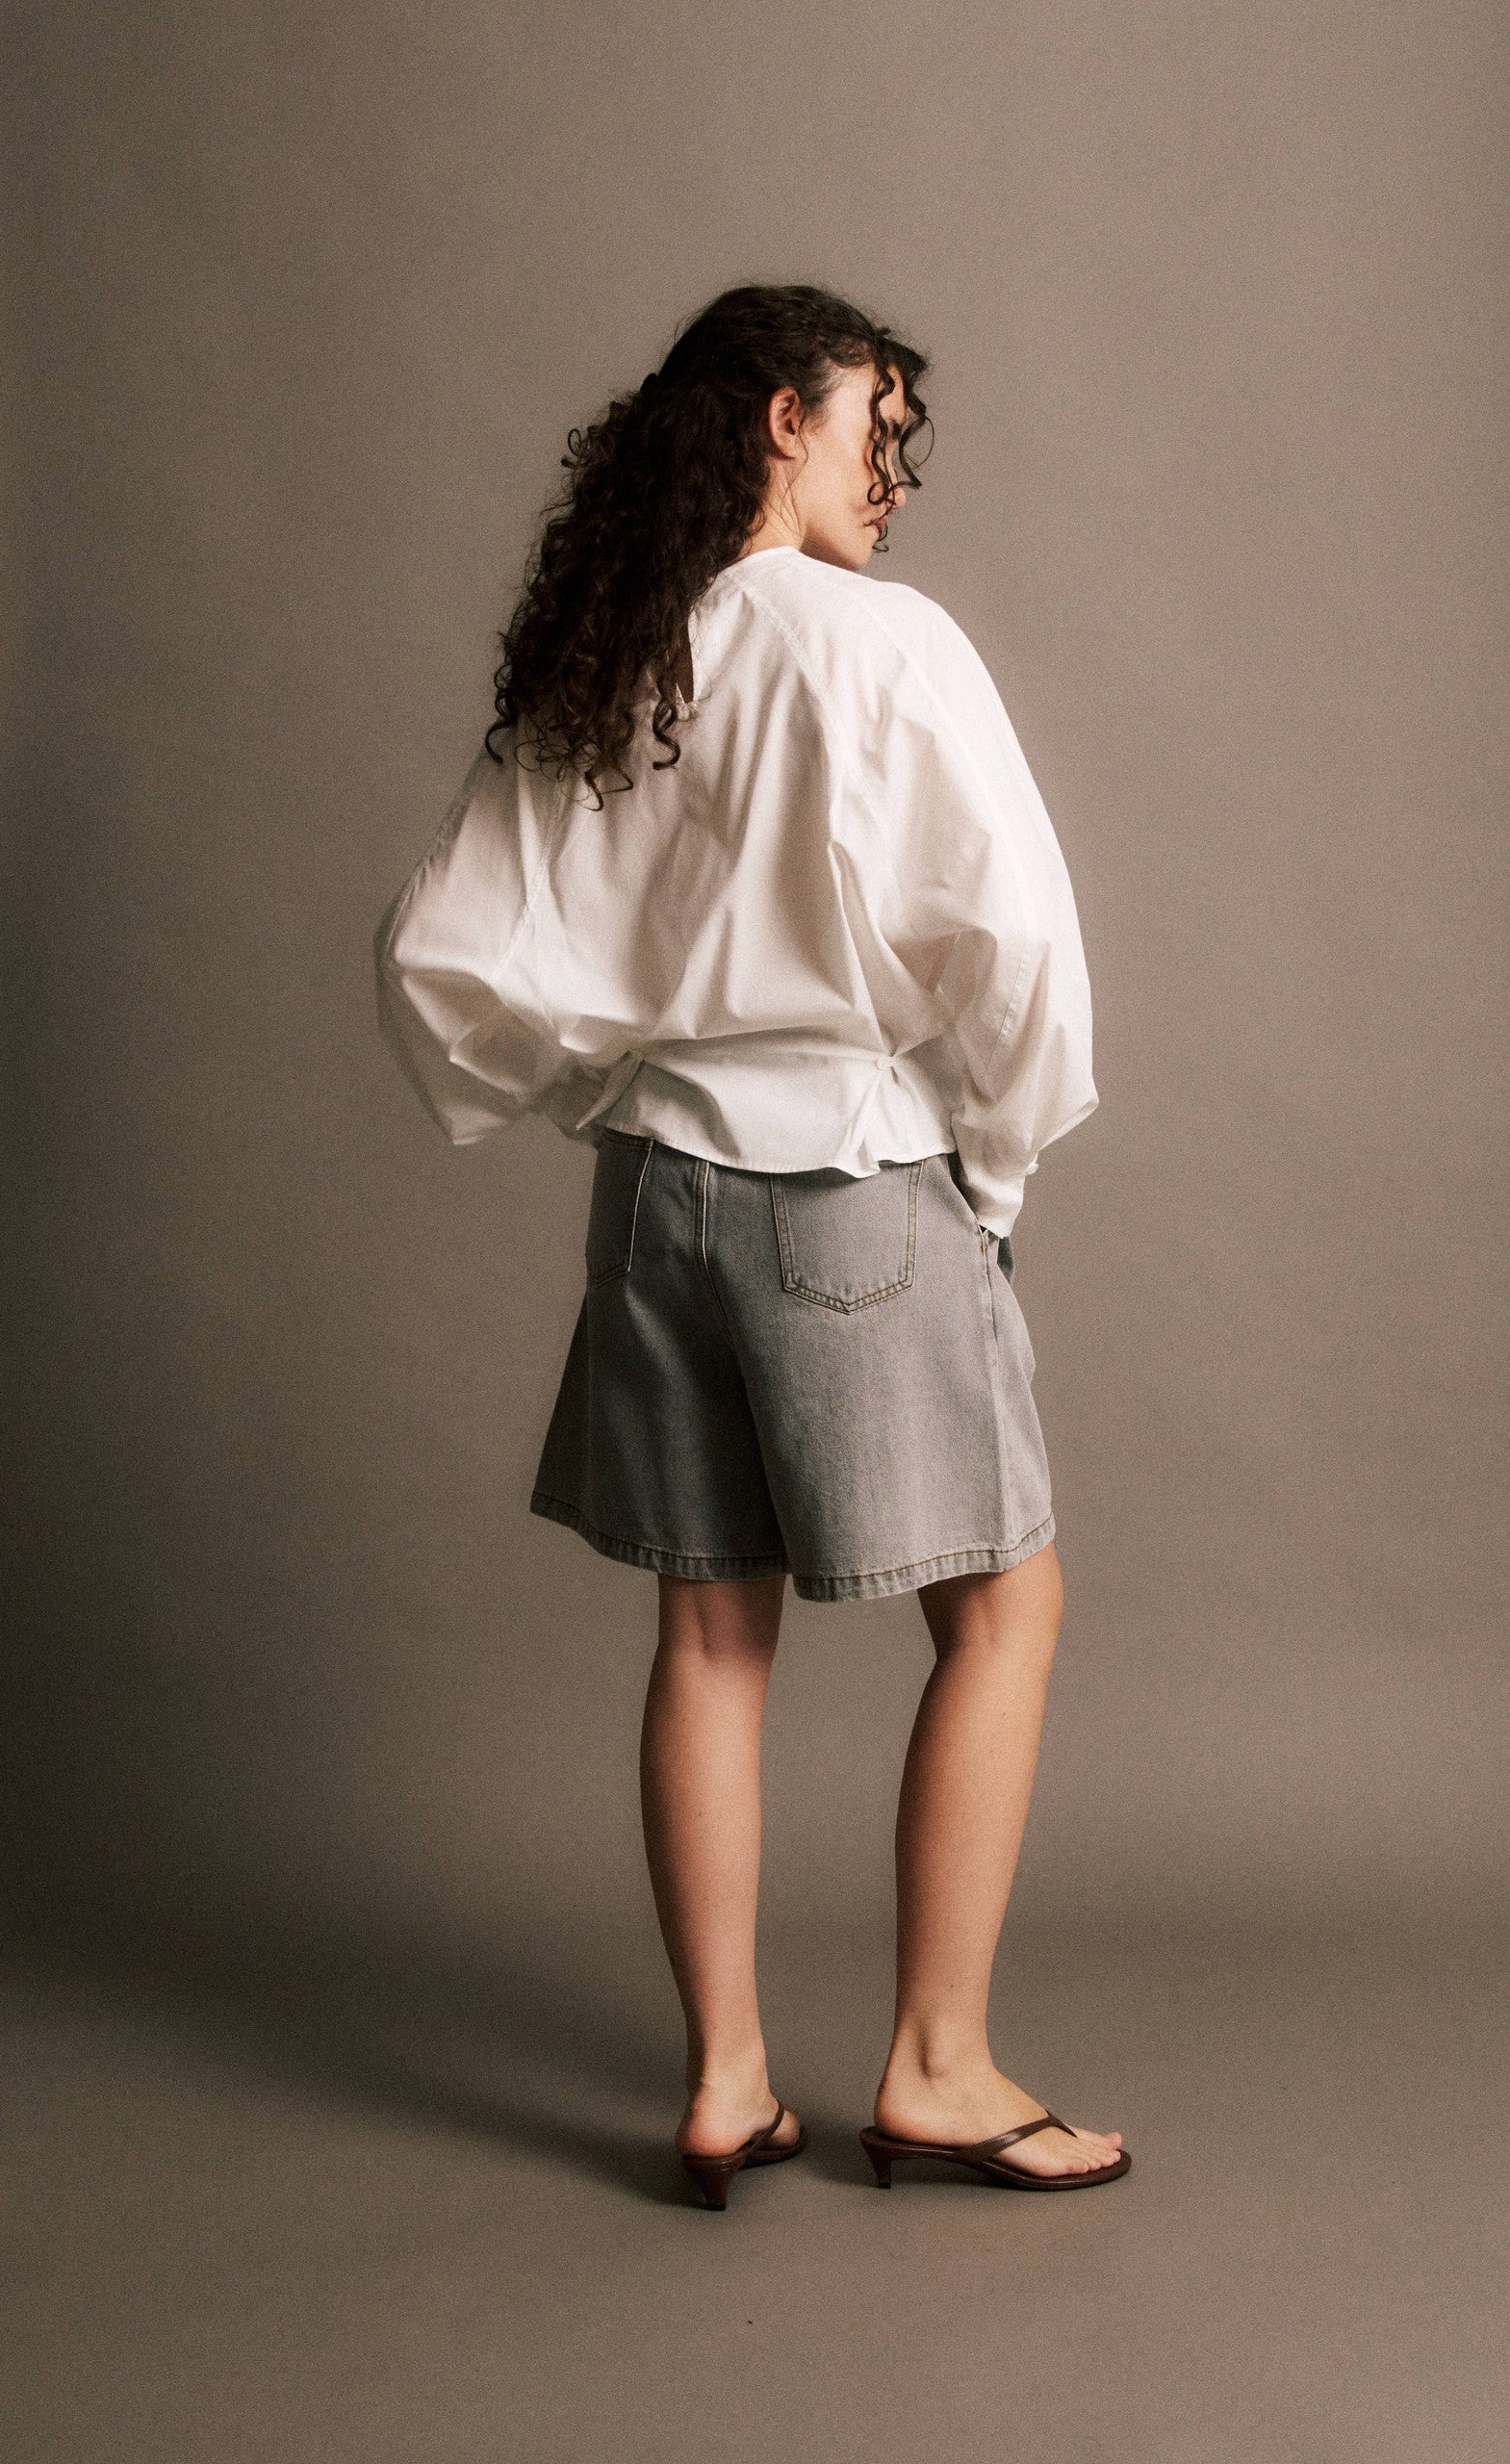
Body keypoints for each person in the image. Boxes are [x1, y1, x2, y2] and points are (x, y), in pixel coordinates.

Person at [374, 283, 1129, 2208]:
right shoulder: (879, 643)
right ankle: (938, 2067)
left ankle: (723, 2082)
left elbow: (451, 956)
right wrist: (991, 1173)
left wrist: (617, 1082)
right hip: (849, 1183)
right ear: (786, 413)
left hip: (656, 1195)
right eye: (881, 427)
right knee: (1007, 1612)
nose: (897, 476)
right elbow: (1015, 952)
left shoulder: (619, 647)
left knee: (709, 1633)